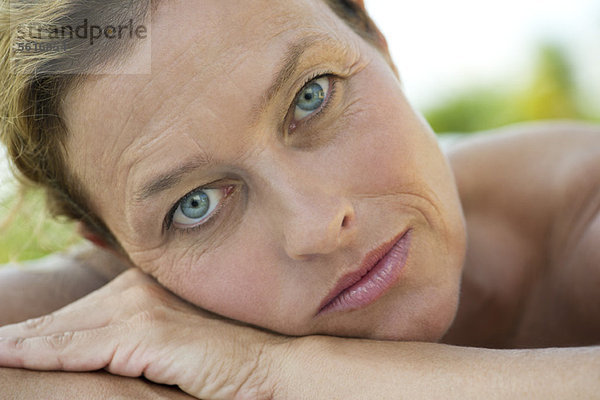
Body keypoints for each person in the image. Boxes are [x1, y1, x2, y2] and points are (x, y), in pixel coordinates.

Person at [0, 0, 598, 398]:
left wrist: (271, 371)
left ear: (374, 36)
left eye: (311, 96)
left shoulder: (581, 215)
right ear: (115, 248)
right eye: (197, 205)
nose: (316, 227)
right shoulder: (98, 319)